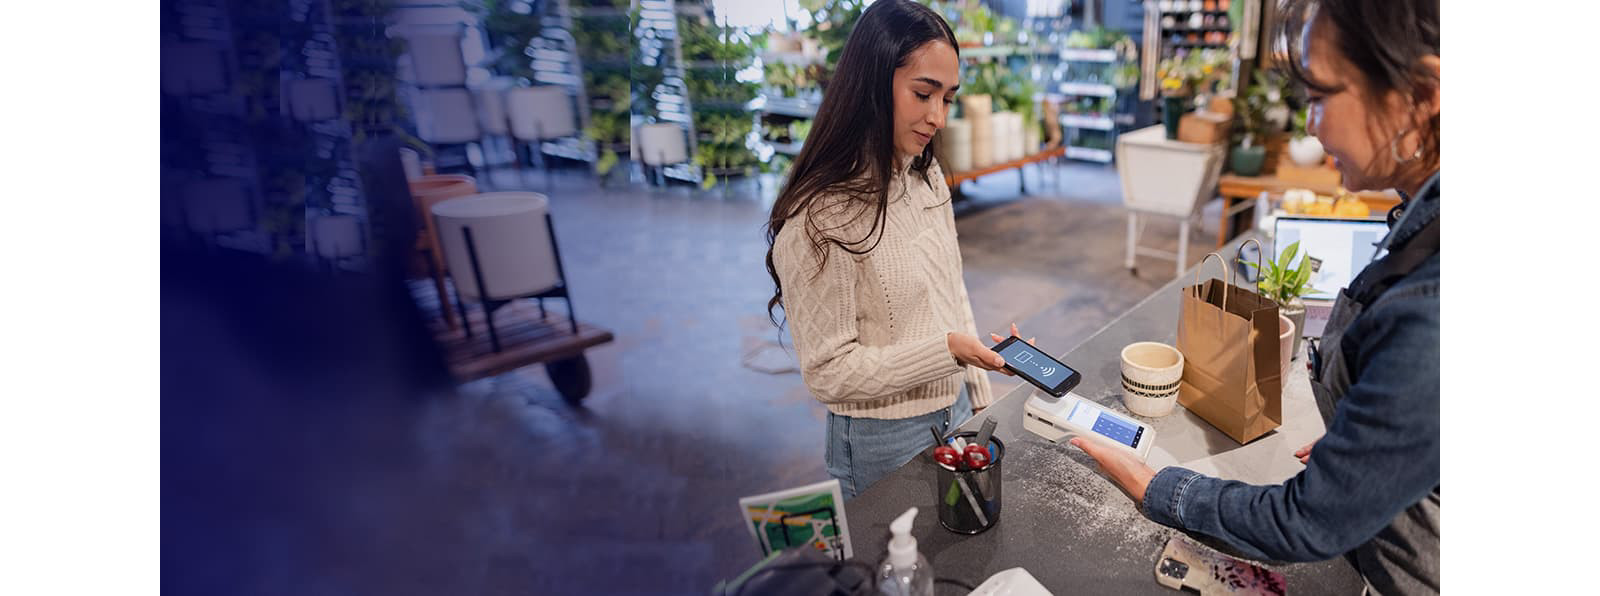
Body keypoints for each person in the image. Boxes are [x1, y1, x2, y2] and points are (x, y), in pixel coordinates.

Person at [1071, 1, 1440, 594]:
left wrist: (1155, 485)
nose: (1312, 126)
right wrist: (1382, 439)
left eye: (1320, 95)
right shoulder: (1426, 226)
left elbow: (1306, 520)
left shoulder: (1434, 308)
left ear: (1419, 94)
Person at [765, 0, 1021, 499]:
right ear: (872, 85)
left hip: (958, 411)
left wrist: (977, 385)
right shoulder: (821, 215)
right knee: (896, 571)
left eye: (947, 98)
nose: (938, 118)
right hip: (881, 439)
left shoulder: (926, 178)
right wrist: (946, 351)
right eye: (923, 93)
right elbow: (828, 373)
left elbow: (951, 291)